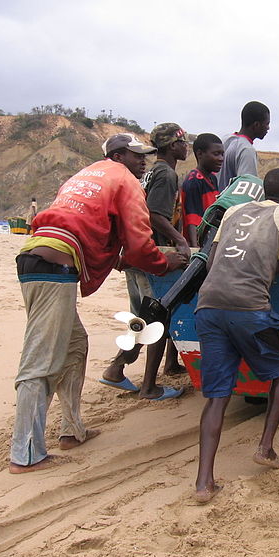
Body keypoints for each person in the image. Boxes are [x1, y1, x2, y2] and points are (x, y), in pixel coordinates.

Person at [9, 133, 186, 474]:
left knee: (75, 345)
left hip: (38, 258)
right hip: (55, 267)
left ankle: (72, 430)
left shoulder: (87, 174)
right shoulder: (126, 180)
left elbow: (92, 229)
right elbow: (139, 245)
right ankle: (25, 453)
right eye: (137, 156)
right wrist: (166, 264)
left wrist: (112, 256)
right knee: (41, 359)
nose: (143, 161)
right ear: (119, 155)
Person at [194, 168, 279, 502]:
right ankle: (265, 448)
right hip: (249, 309)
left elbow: (213, 263)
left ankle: (204, 483)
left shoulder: (235, 211)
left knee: (217, 396)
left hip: (207, 307)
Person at [100, 123, 191, 400]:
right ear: (173, 146)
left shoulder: (150, 173)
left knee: (143, 315)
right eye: (182, 142)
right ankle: (146, 385)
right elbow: (155, 214)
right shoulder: (166, 174)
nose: (186, 146)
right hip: (151, 254)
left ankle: (118, 369)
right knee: (157, 318)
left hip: (134, 253)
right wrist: (180, 239)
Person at [181, 133, 225, 247]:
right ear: (200, 154)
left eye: (222, 154)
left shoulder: (212, 178)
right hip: (199, 245)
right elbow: (192, 219)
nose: (221, 159)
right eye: (216, 154)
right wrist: (195, 250)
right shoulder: (194, 181)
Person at [217, 101, 270, 191]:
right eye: (267, 124)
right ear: (256, 125)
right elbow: (246, 190)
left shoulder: (224, 140)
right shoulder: (247, 150)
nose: (268, 128)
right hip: (231, 204)